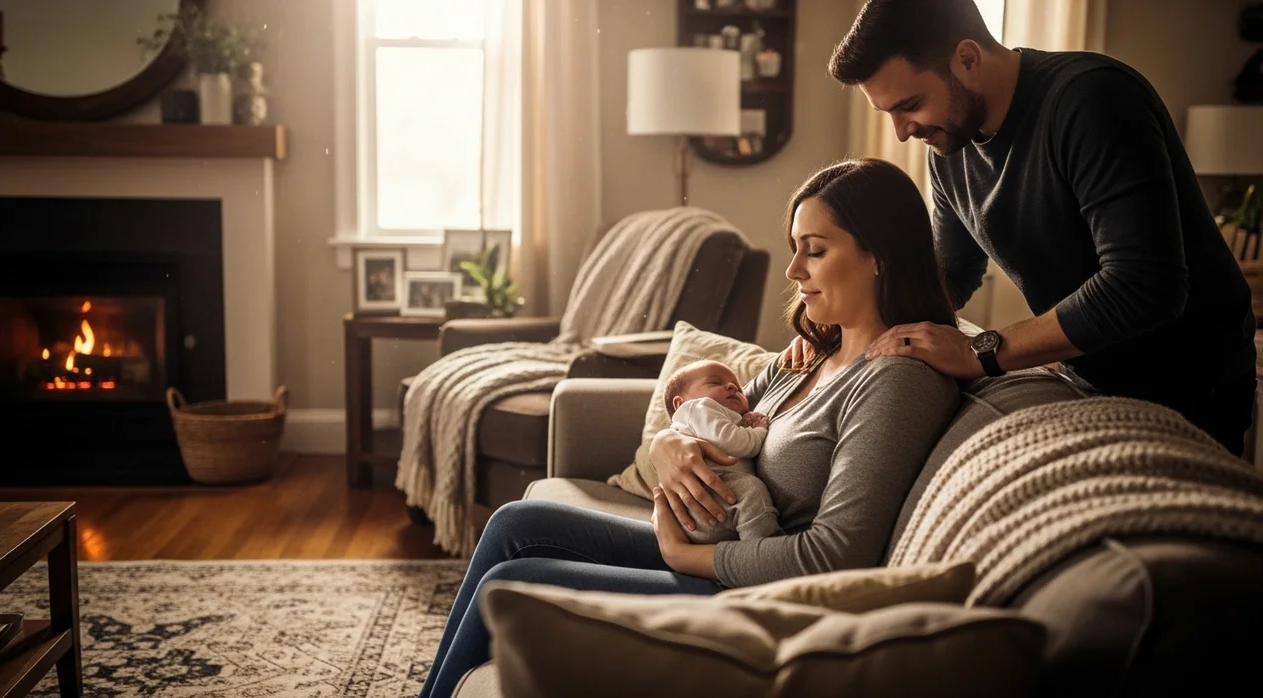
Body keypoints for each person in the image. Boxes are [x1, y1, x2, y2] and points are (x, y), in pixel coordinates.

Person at [416, 158, 960, 698]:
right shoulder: (808, 355)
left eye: (815, 251)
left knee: (513, 582)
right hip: (713, 547)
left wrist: (687, 556)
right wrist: (669, 443)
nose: (793, 271)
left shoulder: (896, 382)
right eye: (795, 248)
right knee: (517, 522)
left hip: (758, 592)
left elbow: (834, 557)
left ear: (880, 257)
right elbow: (705, 419)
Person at [781, 0, 1256, 456]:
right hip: (1087, 380)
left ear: (966, 58)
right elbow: (948, 275)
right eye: (889, 114)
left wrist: (981, 351)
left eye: (910, 105)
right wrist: (848, 331)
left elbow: (1143, 285)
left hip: (1192, 382)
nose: (902, 131)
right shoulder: (950, 148)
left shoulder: (1094, 99)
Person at [663, 359, 778, 544]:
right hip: (706, 498)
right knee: (751, 490)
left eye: (739, 388)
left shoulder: (719, 417)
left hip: (706, 510)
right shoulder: (698, 407)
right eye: (715, 382)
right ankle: (764, 545)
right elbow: (733, 442)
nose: (732, 386)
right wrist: (759, 432)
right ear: (680, 403)